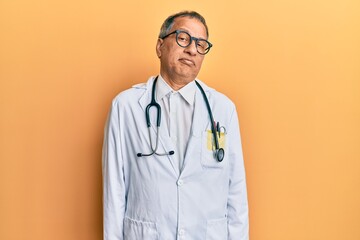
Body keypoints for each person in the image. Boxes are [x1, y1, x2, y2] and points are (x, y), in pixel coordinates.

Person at [102, 11, 249, 240]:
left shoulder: (223, 109)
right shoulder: (126, 107)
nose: (192, 49)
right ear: (160, 46)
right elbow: (114, 191)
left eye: (201, 45)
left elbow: (236, 193)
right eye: (183, 38)